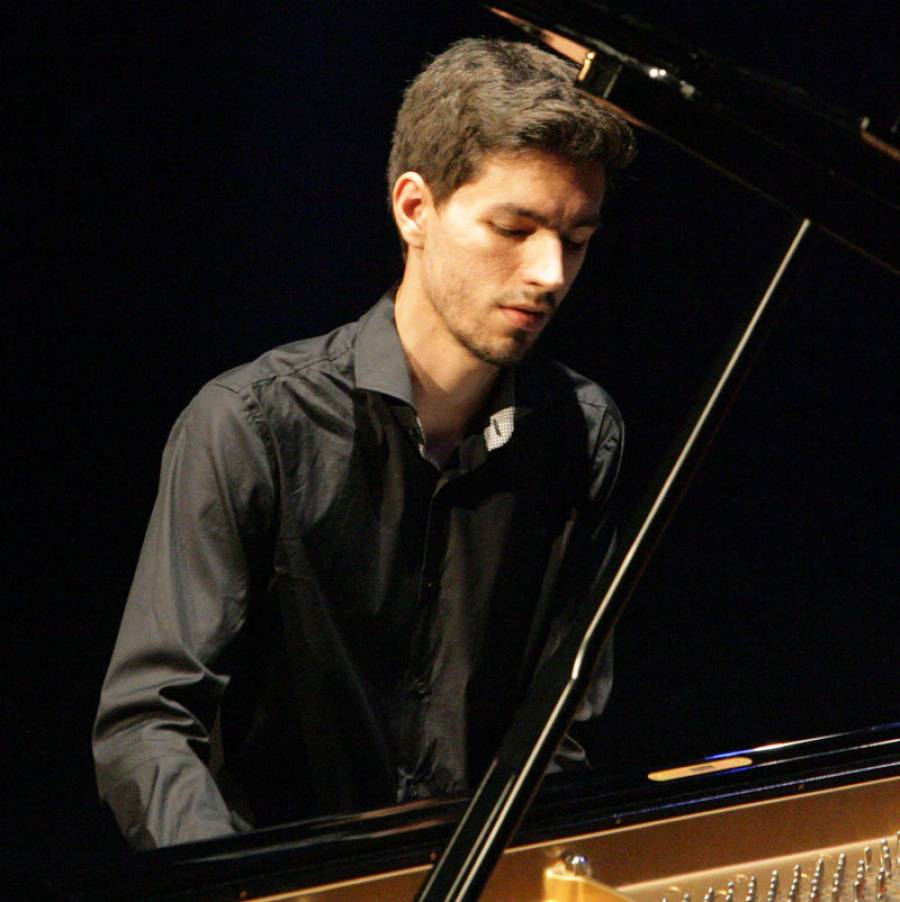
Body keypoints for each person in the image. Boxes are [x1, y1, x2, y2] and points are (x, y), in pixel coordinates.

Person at [92, 37, 636, 850]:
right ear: (414, 209)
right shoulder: (251, 423)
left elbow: (559, 730)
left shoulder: (582, 435)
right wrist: (247, 886)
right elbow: (150, 726)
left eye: (577, 238)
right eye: (514, 227)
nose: (551, 272)